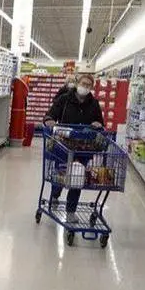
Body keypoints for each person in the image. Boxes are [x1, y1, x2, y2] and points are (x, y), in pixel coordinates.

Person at [43, 73, 103, 222]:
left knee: (77, 177)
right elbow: (50, 114)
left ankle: (70, 211)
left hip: (84, 147)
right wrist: (49, 120)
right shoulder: (64, 99)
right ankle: (55, 195)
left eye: (88, 85)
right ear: (77, 84)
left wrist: (98, 124)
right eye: (83, 84)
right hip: (63, 145)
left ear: (92, 87)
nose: (85, 87)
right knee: (61, 174)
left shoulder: (94, 103)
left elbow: (100, 122)